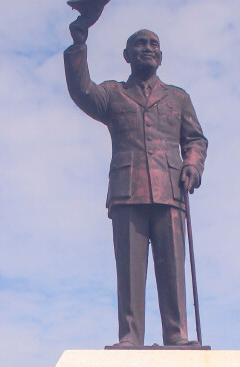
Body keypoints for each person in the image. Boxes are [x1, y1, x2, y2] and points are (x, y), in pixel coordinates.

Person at [64, 18, 208, 347]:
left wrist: (193, 165)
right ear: (126, 54)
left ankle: (177, 335)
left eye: (153, 44)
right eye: (140, 44)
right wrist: (79, 44)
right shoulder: (114, 94)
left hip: (170, 191)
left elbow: (196, 140)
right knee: (129, 272)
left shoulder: (178, 98)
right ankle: (130, 337)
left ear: (161, 56)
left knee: (173, 269)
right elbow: (81, 90)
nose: (147, 49)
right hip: (127, 192)